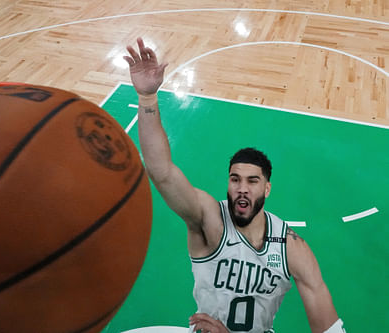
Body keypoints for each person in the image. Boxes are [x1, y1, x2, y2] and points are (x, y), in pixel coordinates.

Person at [124, 37, 346, 333]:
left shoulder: (291, 247)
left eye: (252, 182)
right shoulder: (208, 219)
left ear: (267, 189)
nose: (242, 188)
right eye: (235, 179)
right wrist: (148, 99)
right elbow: (161, 170)